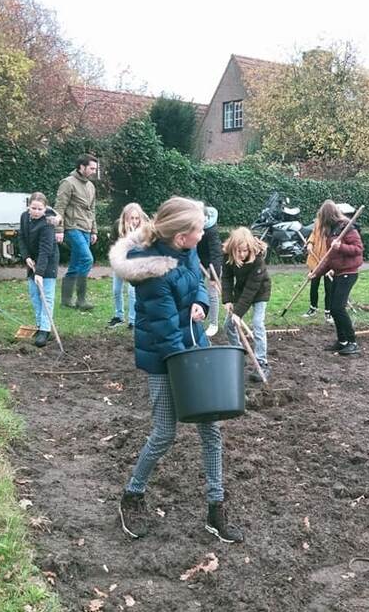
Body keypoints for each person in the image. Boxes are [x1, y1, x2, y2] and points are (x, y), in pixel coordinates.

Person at [109, 196, 243, 543]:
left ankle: (216, 508)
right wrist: (192, 374)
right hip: (165, 358)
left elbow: (197, 280)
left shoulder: (186, 249)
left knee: (211, 430)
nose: (204, 233)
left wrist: (200, 302)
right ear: (181, 235)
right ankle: (132, 494)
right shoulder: (152, 272)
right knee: (164, 433)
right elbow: (166, 332)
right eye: (199, 229)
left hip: (194, 347)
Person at [308, 200, 363, 355]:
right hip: (338, 272)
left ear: (328, 217)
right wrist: (316, 272)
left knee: (338, 308)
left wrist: (341, 246)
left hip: (349, 272)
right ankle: (342, 341)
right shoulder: (332, 231)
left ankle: (352, 342)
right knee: (333, 308)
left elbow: (358, 249)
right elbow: (329, 258)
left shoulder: (347, 228)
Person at [221, 227, 272, 381]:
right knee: (228, 325)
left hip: (259, 291)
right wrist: (227, 299)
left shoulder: (257, 259)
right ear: (232, 249)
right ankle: (238, 354)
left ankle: (262, 363)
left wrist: (238, 313)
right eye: (239, 251)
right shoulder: (227, 255)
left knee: (257, 324)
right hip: (241, 290)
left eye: (245, 251)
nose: (242, 254)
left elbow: (251, 289)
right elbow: (227, 278)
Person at [55, 154, 98, 311]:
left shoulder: (91, 186)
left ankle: (66, 300)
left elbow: (92, 210)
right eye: (91, 168)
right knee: (87, 259)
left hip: (86, 228)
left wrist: (94, 231)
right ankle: (81, 299)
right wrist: (59, 229)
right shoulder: (67, 183)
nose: (94, 171)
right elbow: (59, 207)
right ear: (81, 167)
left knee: (75, 264)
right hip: (72, 228)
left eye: (95, 169)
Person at [19, 193, 60, 348]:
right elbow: (21, 238)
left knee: (46, 296)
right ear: (28, 207)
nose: (36, 212)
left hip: (47, 262)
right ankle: (39, 324)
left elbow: (46, 250)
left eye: (40, 209)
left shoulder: (48, 223)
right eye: (33, 208)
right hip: (32, 261)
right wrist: (26, 257)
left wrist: (40, 273)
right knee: (34, 295)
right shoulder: (24, 217)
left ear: (45, 208)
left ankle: (45, 330)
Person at [108, 203, 149, 329]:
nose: (135, 221)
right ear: (126, 218)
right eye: (132, 218)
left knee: (132, 292)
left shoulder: (143, 229)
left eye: (137, 218)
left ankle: (133, 320)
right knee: (116, 290)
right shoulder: (117, 226)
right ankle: (118, 316)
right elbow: (112, 244)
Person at [197, 205, 223, 336]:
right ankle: (198, 319)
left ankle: (214, 324)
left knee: (212, 293)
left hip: (212, 263)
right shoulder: (192, 225)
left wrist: (214, 277)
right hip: (198, 261)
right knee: (195, 289)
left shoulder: (211, 230)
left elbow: (216, 254)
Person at [302, 216, 333, 324]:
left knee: (329, 287)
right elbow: (313, 235)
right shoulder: (318, 223)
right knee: (314, 285)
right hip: (315, 260)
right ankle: (313, 308)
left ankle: (328, 312)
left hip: (328, 261)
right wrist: (310, 244)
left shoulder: (334, 225)